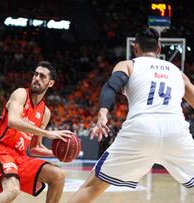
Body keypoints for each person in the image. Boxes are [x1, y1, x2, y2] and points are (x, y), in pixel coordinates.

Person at [68, 27, 194, 202]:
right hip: (176, 132)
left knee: (91, 188)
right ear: (158, 49)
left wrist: (103, 113)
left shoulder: (128, 64)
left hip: (141, 130)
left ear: (135, 48)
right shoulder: (177, 73)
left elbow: (111, 86)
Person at [0, 61, 74, 203]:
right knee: (13, 190)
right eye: (35, 74)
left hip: (20, 157)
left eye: (42, 76)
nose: (37, 78)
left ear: (50, 83)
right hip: (1, 150)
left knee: (59, 175)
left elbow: (34, 147)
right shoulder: (20, 94)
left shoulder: (45, 113)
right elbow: (13, 121)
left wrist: (58, 153)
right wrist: (47, 133)